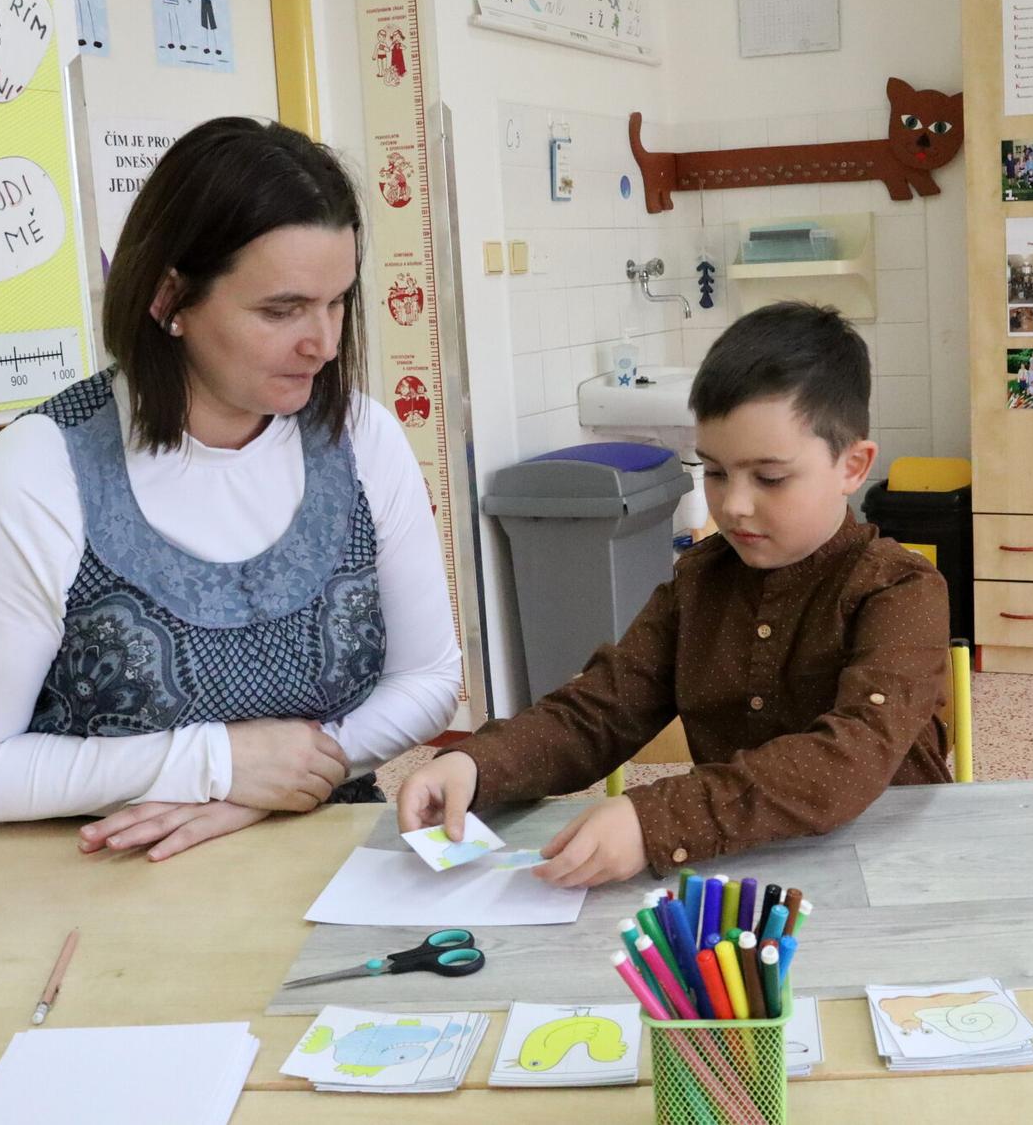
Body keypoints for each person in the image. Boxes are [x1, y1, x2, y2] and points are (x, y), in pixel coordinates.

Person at [0, 118, 462, 860]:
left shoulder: (362, 438)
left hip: (322, 853)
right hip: (106, 880)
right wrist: (220, 765)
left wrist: (267, 792)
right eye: (282, 310)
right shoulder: (35, 476)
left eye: (338, 303)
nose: (325, 344)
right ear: (170, 298)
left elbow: (429, 679)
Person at [398, 302, 951, 887]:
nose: (733, 504)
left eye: (769, 477)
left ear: (852, 465)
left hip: (891, 871)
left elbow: (850, 758)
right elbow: (601, 711)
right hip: (739, 874)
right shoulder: (700, 581)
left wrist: (655, 819)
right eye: (714, 471)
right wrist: (476, 765)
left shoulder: (900, 589)